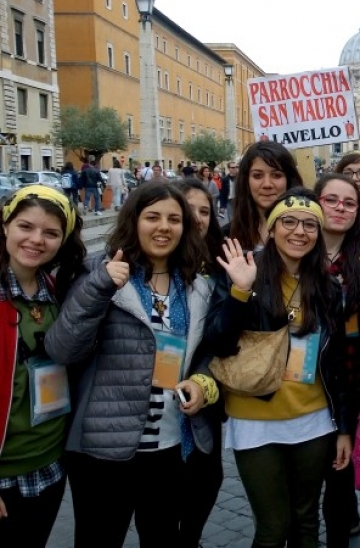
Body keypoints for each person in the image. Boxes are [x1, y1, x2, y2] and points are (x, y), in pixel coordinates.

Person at [44, 182, 216, 548]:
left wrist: (202, 381)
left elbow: (204, 353)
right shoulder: (99, 271)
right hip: (105, 450)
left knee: (163, 538)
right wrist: (100, 287)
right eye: (152, 217)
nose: (163, 227)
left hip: (171, 447)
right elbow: (63, 349)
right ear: (133, 221)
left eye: (173, 219)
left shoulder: (196, 284)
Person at [204, 189, 351, 548]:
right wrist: (241, 291)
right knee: (273, 526)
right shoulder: (246, 272)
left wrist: (344, 428)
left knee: (306, 520)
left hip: (312, 419)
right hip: (255, 418)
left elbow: (336, 363)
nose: (299, 231)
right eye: (288, 222)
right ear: (271, 230)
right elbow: (218, 343)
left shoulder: (328, 287)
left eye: (309, 224)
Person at [0, 186, 85, 548]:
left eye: (50, 233)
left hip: (50, 462)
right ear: (6, 225)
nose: (36, 240)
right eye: (26, 227)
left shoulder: (55, 290)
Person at [312, 173, 360, 545]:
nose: (341, 208)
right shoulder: (296, 248)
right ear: (317, 201)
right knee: (334, 480)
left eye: (349, 202)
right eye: (332, 200)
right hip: (316, 386)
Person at [171, 178, 226, 547]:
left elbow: (222, 340)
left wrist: (204, 380)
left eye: (204, 211)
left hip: (202, 400)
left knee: (207, 481)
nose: (196, 218)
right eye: (187, 210)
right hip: (149, 411)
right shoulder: (132, 268)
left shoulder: (219, 269)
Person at [226, 141, 304, 251]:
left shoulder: (306, 233)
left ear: (289, 179)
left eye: (276, 175)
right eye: (257, 176)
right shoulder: (226, 236)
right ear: (246, 181)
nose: (267, 184)